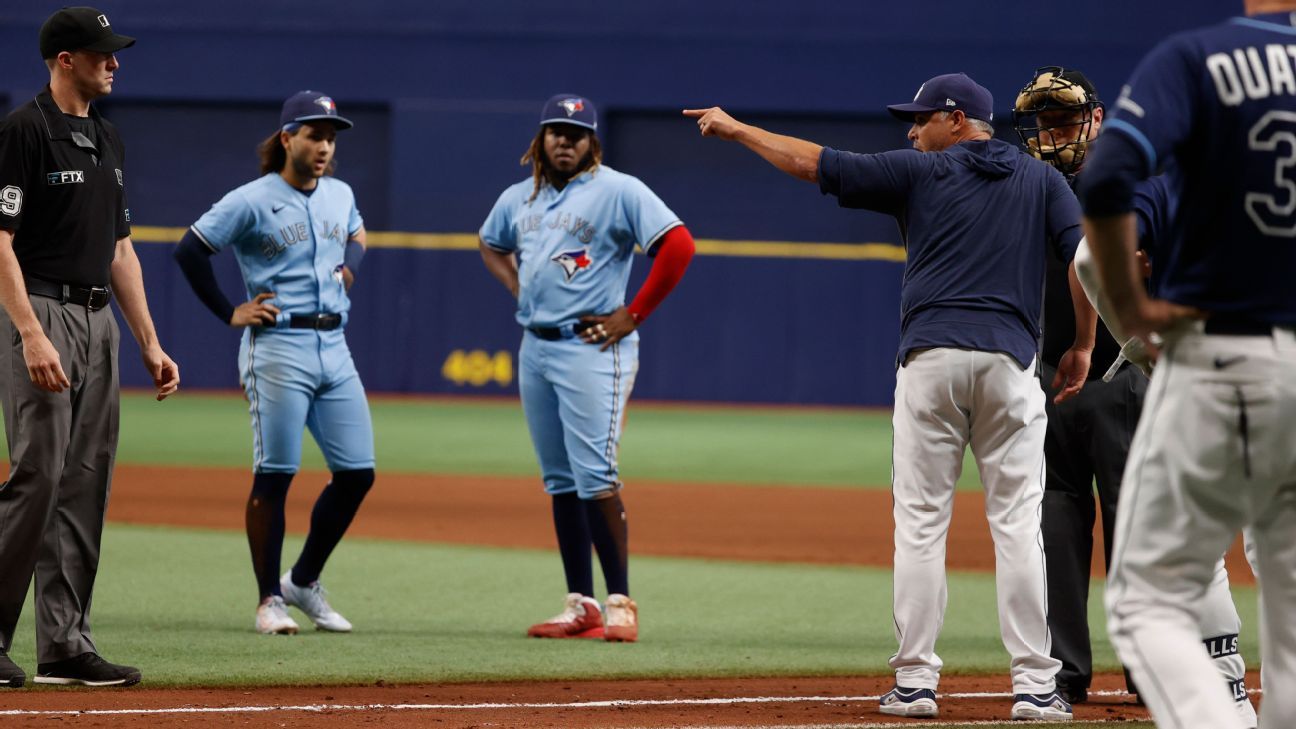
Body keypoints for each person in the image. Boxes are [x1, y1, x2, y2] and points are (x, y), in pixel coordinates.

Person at [686, 72, 1094, 722]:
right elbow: (1085, 263)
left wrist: (738, 129)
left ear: (956, 119)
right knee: (1018, 527)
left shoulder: (918, 172)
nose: (911, 130)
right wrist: (1082, 345)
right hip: (1010, 364)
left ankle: (915, 684)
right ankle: (1037, 687)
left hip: (931, 359)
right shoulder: (1041, 180)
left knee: (922, 525)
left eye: (921, 118)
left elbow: (810, 162)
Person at [1014, 67, 1257, 725]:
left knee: (1141, 531)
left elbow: (1090, 263)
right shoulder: (1033, 184)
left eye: (1064, 120)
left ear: (1096, 119)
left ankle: (1154, 667)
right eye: (1044, 123)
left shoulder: (1127, 182)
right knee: (1057, 525)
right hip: (1052, 380)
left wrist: (1124, 346)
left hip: (1124, 380)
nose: (1052, 133)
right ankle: (1066, 669)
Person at [1079, 1, 1296, 726]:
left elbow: (1107, 177)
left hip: (1223, 355)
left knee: (1144, 601)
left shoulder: (1199, 57)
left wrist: (1133, 314)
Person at [0, 7, 179, 688]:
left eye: (115, 52)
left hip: (99, 321)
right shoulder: (23, 131)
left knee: (84, 481)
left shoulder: (108, 139)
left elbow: (121, 250)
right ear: (63, 59)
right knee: (38, 474)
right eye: (101, 52)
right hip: (40, 309)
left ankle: (65, 643)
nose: (115, 61)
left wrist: (149, 342)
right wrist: (30, 330)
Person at [479, 94, 695, 643]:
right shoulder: (517, 198)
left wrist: (634, 312)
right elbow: (489, 242)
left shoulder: (618, 190)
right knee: (560, 482)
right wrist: (515, 285)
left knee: (595, 477)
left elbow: (678, 245)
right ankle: (581, 604)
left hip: (593, 348)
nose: (565, 141)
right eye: (556, 131)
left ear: (592, 142)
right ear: (541, 138)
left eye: (576, 134)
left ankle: (620, 602)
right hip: (536, 348)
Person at [174, 91, 373, 636]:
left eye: (331, 137)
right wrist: (229, 311)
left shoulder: (339, 194)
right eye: (314, 134)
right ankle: (268, 600)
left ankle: (303, 581)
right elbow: (190, 249)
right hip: (278, 348)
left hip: (335, 345)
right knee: (276, 475)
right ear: (288, 138)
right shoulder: (252, 199)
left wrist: (349, 270)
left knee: (357, 473)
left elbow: (357, 233)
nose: (325, 146)